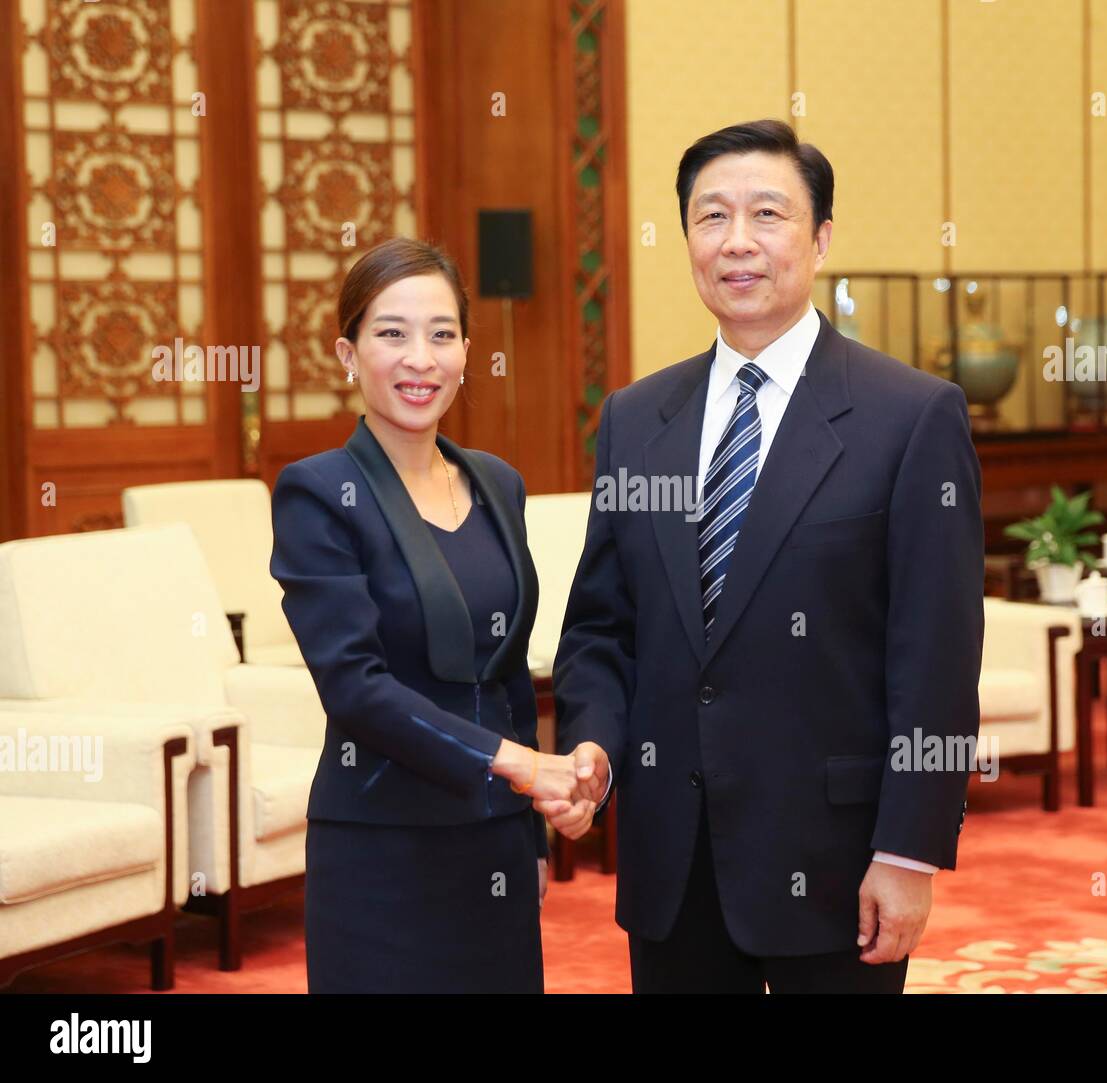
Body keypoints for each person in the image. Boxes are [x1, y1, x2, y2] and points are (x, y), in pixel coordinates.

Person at [540, 120, 985, 993]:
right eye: (712, 217)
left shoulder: (911, 416)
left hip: (839, 859)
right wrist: (594, 742)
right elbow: (603, 624)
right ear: (688, 240)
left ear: (819, 239)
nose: (737, 242)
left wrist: (909, 851)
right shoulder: (636, 419)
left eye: (767, 214)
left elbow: (935, 656)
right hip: (673, 858)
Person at [270, 237, 587, 993]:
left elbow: (507, 666)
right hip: (381, 848)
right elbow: (356, 689)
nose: (421, 358)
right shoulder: (317, 492)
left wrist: (531, 829)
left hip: (496, 846)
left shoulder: (497, 482)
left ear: (468, 351)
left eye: (442, 334)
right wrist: (517, 763)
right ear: (349, 353)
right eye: (392, 333)